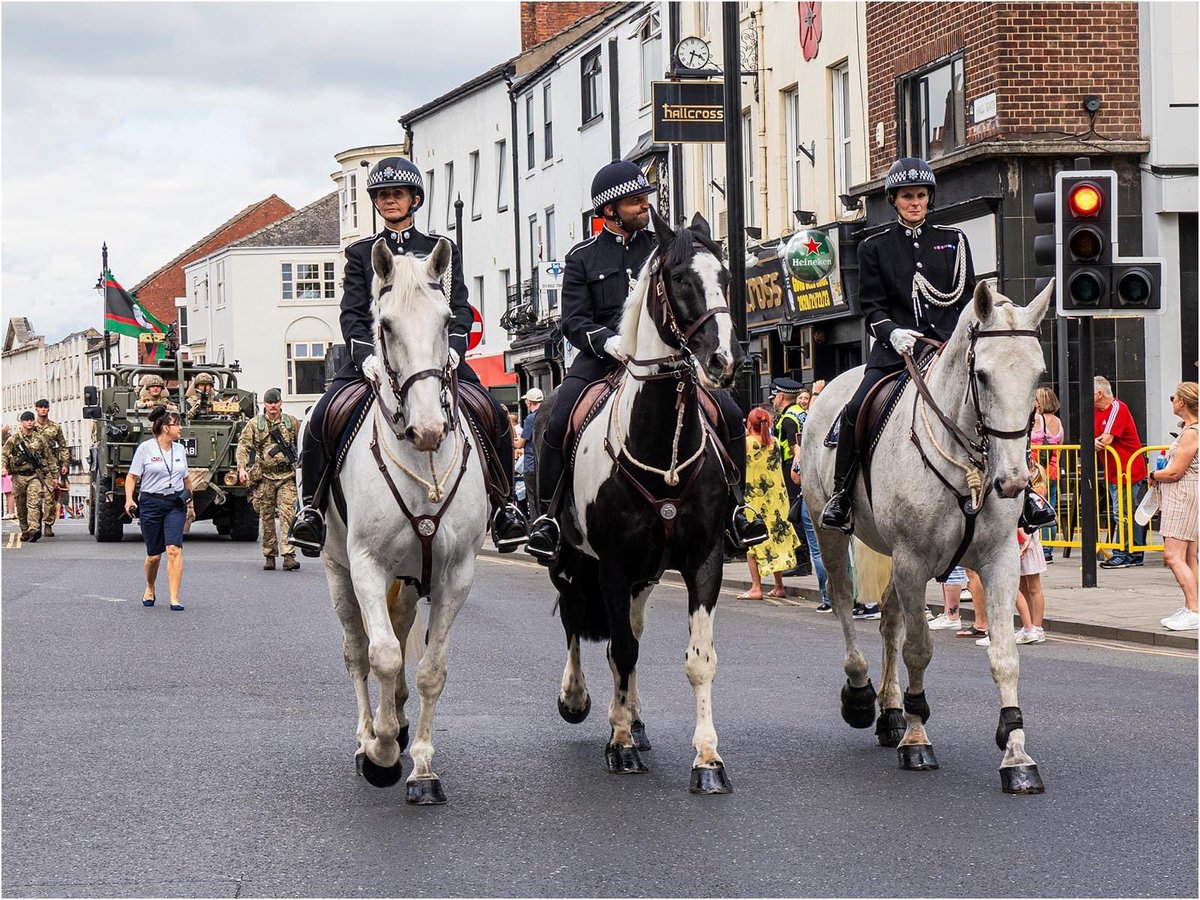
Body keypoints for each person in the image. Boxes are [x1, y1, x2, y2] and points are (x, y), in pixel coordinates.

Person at [525, 159, 766, 561]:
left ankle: (736, 509)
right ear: (609, 210)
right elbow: (573, 321)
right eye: (635, 201)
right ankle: (548, 516)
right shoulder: (583, 257)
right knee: (559, 417)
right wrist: (607, 342)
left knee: (727, 411)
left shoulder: (666, 250)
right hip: (603, 360)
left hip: (665, 361)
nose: (644, 207)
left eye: (645, 199)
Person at [289, 157, 527, 556]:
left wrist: (453, 349)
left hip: (435, 359)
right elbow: (350, 313)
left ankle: (504, 508)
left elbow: (461, 308)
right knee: (322, 417)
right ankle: (312, 509)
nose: (389, 201)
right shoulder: (362, 253)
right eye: (382, 195)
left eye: (396, 194)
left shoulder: (439, 250)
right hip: (377, 357)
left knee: (492, 415)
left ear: (414, 199)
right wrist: (365, 355)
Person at [821, 157, 977, 533]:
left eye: (921, 195)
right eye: (907, 196)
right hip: (896, 351)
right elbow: (870, 305)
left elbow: (968, 297)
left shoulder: (953, 241)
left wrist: (956, 338)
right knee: (856, 408)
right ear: (894, 200)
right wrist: (891, 331)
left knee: (993, 398)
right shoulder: (874, 246)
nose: (915, 202)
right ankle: (841, 495)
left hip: (946, 348)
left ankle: (1023, 498)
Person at [125, 406, 195, 611]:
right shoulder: (145, 449)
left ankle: (174, 598)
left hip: (175, 504)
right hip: (151, 503)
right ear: (165, 428)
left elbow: (187, 480)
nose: (180, 428)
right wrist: (129, 499)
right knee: (154, 555)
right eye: (177, 424)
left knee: (174, 549)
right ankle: (150, 586)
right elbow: (131, 477)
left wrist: (190, 504)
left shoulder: (180, 449)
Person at [735, 408, 801, 601]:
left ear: (749, 424)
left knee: (753, 543)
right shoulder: (775, 445)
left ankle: (756, 588)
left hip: (755, 500)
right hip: (777, 500)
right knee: (775, 540)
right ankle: (779, 586)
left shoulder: (746, 444)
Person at [237, 388, 301, 571]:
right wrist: (241, 468)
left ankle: (288, 554)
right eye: (269, 403)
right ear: (264, 404)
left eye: (276, 402)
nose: (273, 406)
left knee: (288, 514)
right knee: (266, 517)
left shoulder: (291, 423)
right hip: (264, 477)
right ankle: (269, 554)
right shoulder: (256, 424)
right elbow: (243, 446)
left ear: (281, 403)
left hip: (287, 476)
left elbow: (302, 444)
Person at [1151, 383, 1198, 630]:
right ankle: (1192, 607)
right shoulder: (1189, 430)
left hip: (1181, 495)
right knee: (1189, 556)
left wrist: (1154, 474)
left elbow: (1175, 471)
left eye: (1173, 397)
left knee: (1172, 555)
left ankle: (1193, 610)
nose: (1172, 401)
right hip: (1186, 494)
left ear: (1183, 402)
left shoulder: (1192, 432)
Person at [1094, 375, 1149, 568]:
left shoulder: (1117, 408)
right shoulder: (1095, 411)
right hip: (1114, 469)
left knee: (1123, 512)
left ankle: (1124, 552)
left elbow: (1106, 439)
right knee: (1124, 511)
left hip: (1127, 469)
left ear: (1099, 393)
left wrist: (1095, 442)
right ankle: (1133, 552)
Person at [771, 378, 812, 577]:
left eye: (775, 398)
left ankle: (802, 560)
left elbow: (797, 448)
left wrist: (796, 474)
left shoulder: (788, 418)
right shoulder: (803, 413)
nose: (774, 402)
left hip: (793, 469)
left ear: (780, 397)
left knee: (795, 515)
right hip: (810, 468)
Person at [2, 411, 55, 542]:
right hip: (18, 476)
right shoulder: (14, 439)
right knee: (20, 505)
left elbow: (49, 457)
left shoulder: (40, 439)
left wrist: (54, 475)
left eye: (31, 420)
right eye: (27, 420)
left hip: (34, 476)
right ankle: (25, 529)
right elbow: (4, 454)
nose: (30, 422)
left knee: (34, 502)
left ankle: (34, 529)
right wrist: (3, 467)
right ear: (22, 422)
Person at [1031, 386, 1065, 562]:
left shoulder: (1036, 419)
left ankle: (1040, 549)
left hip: (1036, 473)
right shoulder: (1058, 422)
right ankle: (1048, 550)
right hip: (1052, 472)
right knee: (1049, 509)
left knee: (1036, 509)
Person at [33, 399, 69, 538]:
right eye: (40, 407)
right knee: (35, 497)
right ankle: (35, 524)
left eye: (45, 407)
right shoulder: (31, 425)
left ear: (48, 409)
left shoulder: (55, 427)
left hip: (50, 465)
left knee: (49, 497)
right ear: (36, 409)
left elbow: (62, 445)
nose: (43, 409)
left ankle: (48, 524)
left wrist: (64, 463)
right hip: (34, 466)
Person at [514, 388, 543, 518]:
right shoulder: (546, 416)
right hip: (543, 464)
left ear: (529, 402)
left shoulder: (530, 418)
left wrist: (510, 441)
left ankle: (535, 525)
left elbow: (520, 444)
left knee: (532, 500)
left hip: (531, 465)